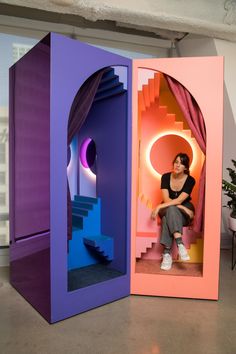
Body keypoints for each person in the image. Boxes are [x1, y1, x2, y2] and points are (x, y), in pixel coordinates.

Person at [151, 153, 195, 271]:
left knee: (167, 216)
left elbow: (180, 200)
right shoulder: (165, 177)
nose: (177, 165)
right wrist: (183, 208)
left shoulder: (190, 180)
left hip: (179, 209)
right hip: (169, 205)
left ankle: (166, 253)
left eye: (181, 163)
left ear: (185, 167)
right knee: (171, 209)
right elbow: (167, 200)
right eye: (176, 162)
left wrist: (158, 207)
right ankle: (180, 244)